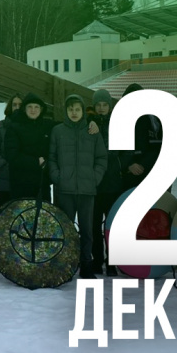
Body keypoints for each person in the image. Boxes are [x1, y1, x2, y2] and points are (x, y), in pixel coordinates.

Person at [48, 94, 107, 279]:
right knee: (65, 229)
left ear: (83, 111)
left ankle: (86, 265)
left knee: (87, 230)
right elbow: (52, 157)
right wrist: (58, 177)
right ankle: (64, 264)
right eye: (71, 109)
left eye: (77, 109)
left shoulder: (92, 131)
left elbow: (101, 158)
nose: (74, 113)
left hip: (87, 190)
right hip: (64, 190)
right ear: (66, 111)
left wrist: (93, 177)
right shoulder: (58, 131)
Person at [88, 89, 123, 276]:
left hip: (112, 182)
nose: (101, 108)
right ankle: (97, 259)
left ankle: (112, 261)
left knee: (111, 225)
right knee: (93, 224)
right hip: (94, 183)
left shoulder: (117, 124)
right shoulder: (88, 123)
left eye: (104, 105)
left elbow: (124, 151)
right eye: (98, 105)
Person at [4, 93, 55, 202]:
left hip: (42, 183)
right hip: (21, 183)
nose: (33, 110)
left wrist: (92, 122)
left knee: (42, 217)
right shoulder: (14, 127)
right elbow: (12, 156)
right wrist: (36, 161)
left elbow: (70, 124)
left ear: (41, 109)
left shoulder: (47, 125)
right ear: (24, 109)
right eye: (30, 107)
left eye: (36, 107)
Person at [119, 83, 163, 191]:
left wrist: (142, 165)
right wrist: (129, 165)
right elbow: (116, 151)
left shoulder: (153, 120)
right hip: (127, 176)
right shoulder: (120, 120)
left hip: (148, 174)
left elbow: (157, 148)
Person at [0, 94, 23, 209]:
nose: (17, 107)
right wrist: (2, 164)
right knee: (2, 217)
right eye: (14, 104)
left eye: (20, 105)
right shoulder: (0, 126)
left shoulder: (30, 127)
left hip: (24, 181)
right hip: (4, 180)